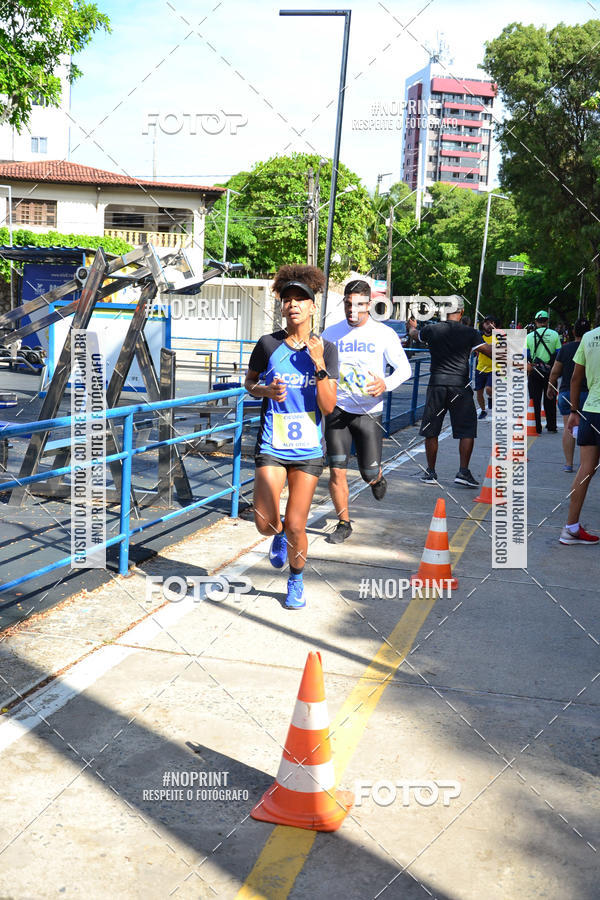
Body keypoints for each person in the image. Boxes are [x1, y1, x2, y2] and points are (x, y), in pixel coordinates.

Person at [244, 265, 338, 608]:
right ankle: (277, 535)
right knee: (265, 522)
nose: (294, 304)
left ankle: (295, 580)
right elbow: (249, 383)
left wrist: (318, 365)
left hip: (309, 448)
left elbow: (328, 406)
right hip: (273, 442)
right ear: (281, 306)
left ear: (314, 306)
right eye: (288, 299)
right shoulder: (268, 345)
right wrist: (265, 390)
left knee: (298, 525)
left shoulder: (325, 349)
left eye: (301, 299)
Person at [321, 279, 411, 544]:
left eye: (359, 305)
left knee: (367, 472)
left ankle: (377, 478)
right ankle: (343, 522)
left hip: (369, 412)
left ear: (369, 305)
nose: (353, 311)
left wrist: (386, 383)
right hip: (337, 410)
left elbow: (404, 369)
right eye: (348, 305)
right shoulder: (331, 333)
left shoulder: (384, 334)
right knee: (336, 468)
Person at [417, 302, 492, 486]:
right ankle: (463, 472)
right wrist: (518, 361)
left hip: (437, 385)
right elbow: (489, 351)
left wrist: (412, 327)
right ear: (462, 312)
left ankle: (431, 472)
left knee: (431, 429)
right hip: (460, 385)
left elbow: (415, 335)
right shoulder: (470, 333)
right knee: (466, 429)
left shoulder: (431, 329)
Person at [559, 322, 600, 545]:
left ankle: (571, 528)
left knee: (585, 469)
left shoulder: (589, 337)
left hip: (591, 410)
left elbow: (575, 378)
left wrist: (574, 410)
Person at [547, 318, 590, 472]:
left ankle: (568, 464)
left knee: (568, 427)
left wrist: (551, 386)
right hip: (588, 393)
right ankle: (587, 464)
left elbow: (555, 371)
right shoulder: (592, 347)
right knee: (591, 428)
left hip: (566, 393)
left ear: (573, 332)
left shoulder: (565, 349)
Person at [526, 310, 561, 434]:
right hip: (550, 371)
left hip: (535, 371)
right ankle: (551, 426)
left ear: (536, 322)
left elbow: (527, 356)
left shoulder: (529, 336)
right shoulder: (555, 335)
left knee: (534, 399)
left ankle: (536, 426)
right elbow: (558, 354)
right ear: (547, 321)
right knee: (550, 398)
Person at [474, 315, 497, 420]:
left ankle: (491, 397)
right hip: (480, 368)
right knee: (479, 392)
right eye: (487, 323)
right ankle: (483, 410)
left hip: (493, 368)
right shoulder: (479, 337)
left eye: (491, 323)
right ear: (483, 325)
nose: (489, 325)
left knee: (488, 389)